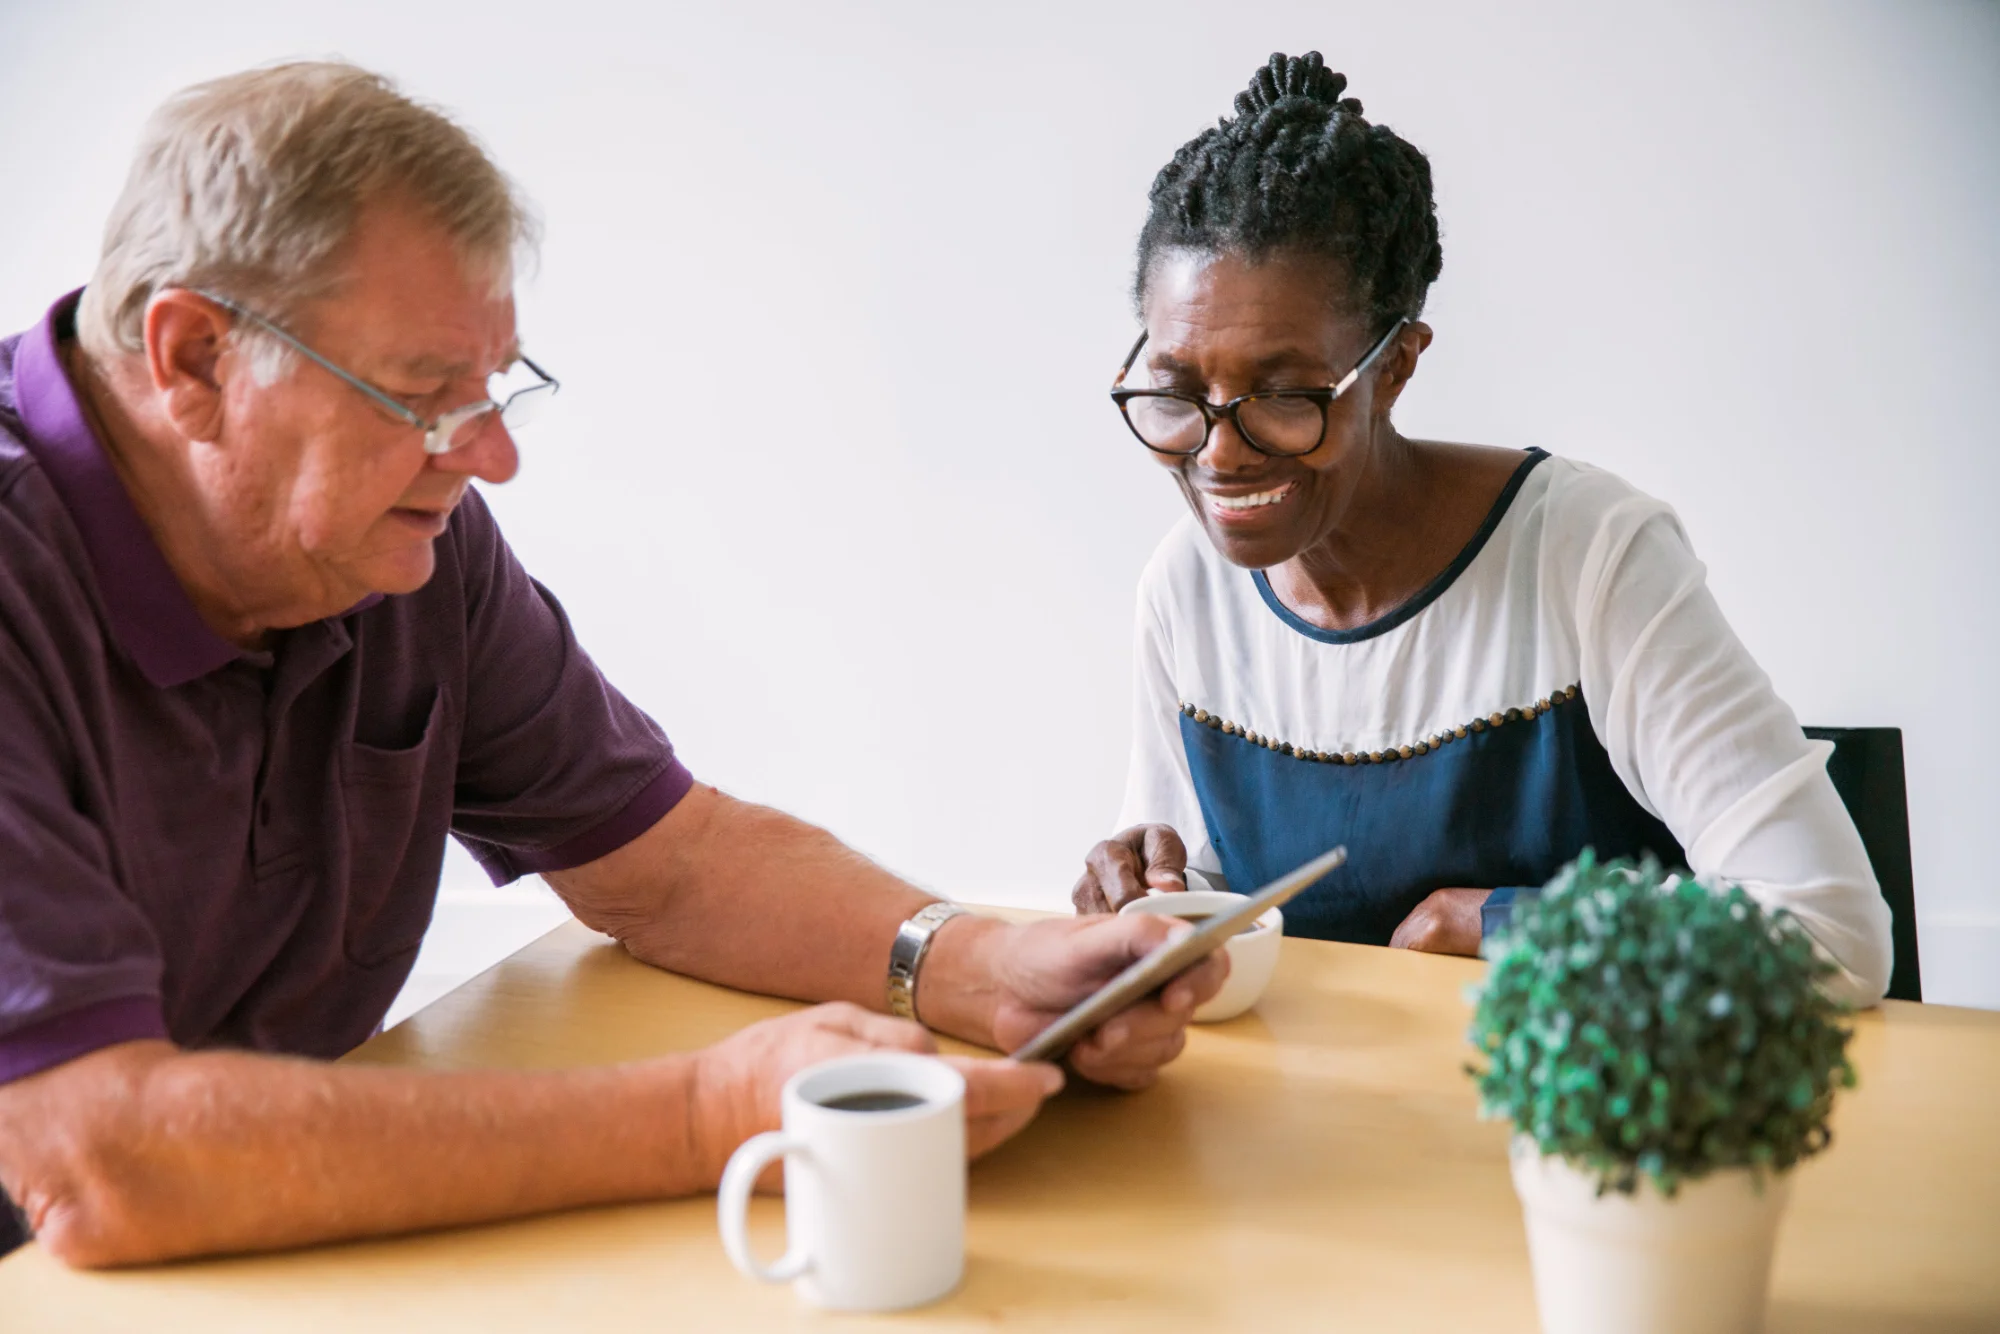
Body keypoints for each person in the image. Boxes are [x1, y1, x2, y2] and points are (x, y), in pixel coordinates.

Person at [0, 63, 1226, 1270]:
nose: (487, 459)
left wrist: (980, 963)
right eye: (423, 397)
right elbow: (100, 1158)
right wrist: (706, 1115)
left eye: (492, 391)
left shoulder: (389, 543)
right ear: (196, 359)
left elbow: (668, 863)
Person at [1069, 52, 1892, 1008]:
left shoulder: (1588, 557)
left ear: (1397, 366)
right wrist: (1149, 892)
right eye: (1177, 392)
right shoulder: (1187, 589)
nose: (1219, 454)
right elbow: (1208, 906)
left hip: (1586, 1135)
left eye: (1286, 396)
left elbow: (1829, 931)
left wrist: (1514, 923)